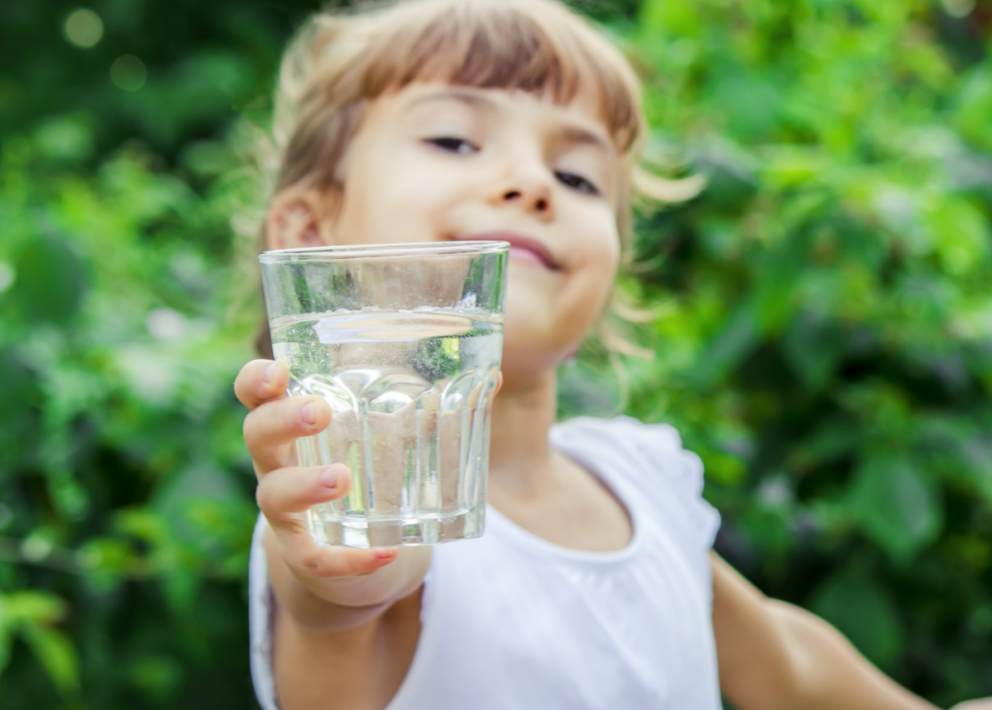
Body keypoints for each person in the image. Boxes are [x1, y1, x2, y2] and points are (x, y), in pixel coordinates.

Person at [232, 1, 992, 708]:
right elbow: (339, 603)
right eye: (455, 139)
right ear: (308, 234)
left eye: (578, 176)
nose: (532, 184)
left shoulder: (637, 476)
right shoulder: (342, 506)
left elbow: (784, 660)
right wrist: (358, 559)